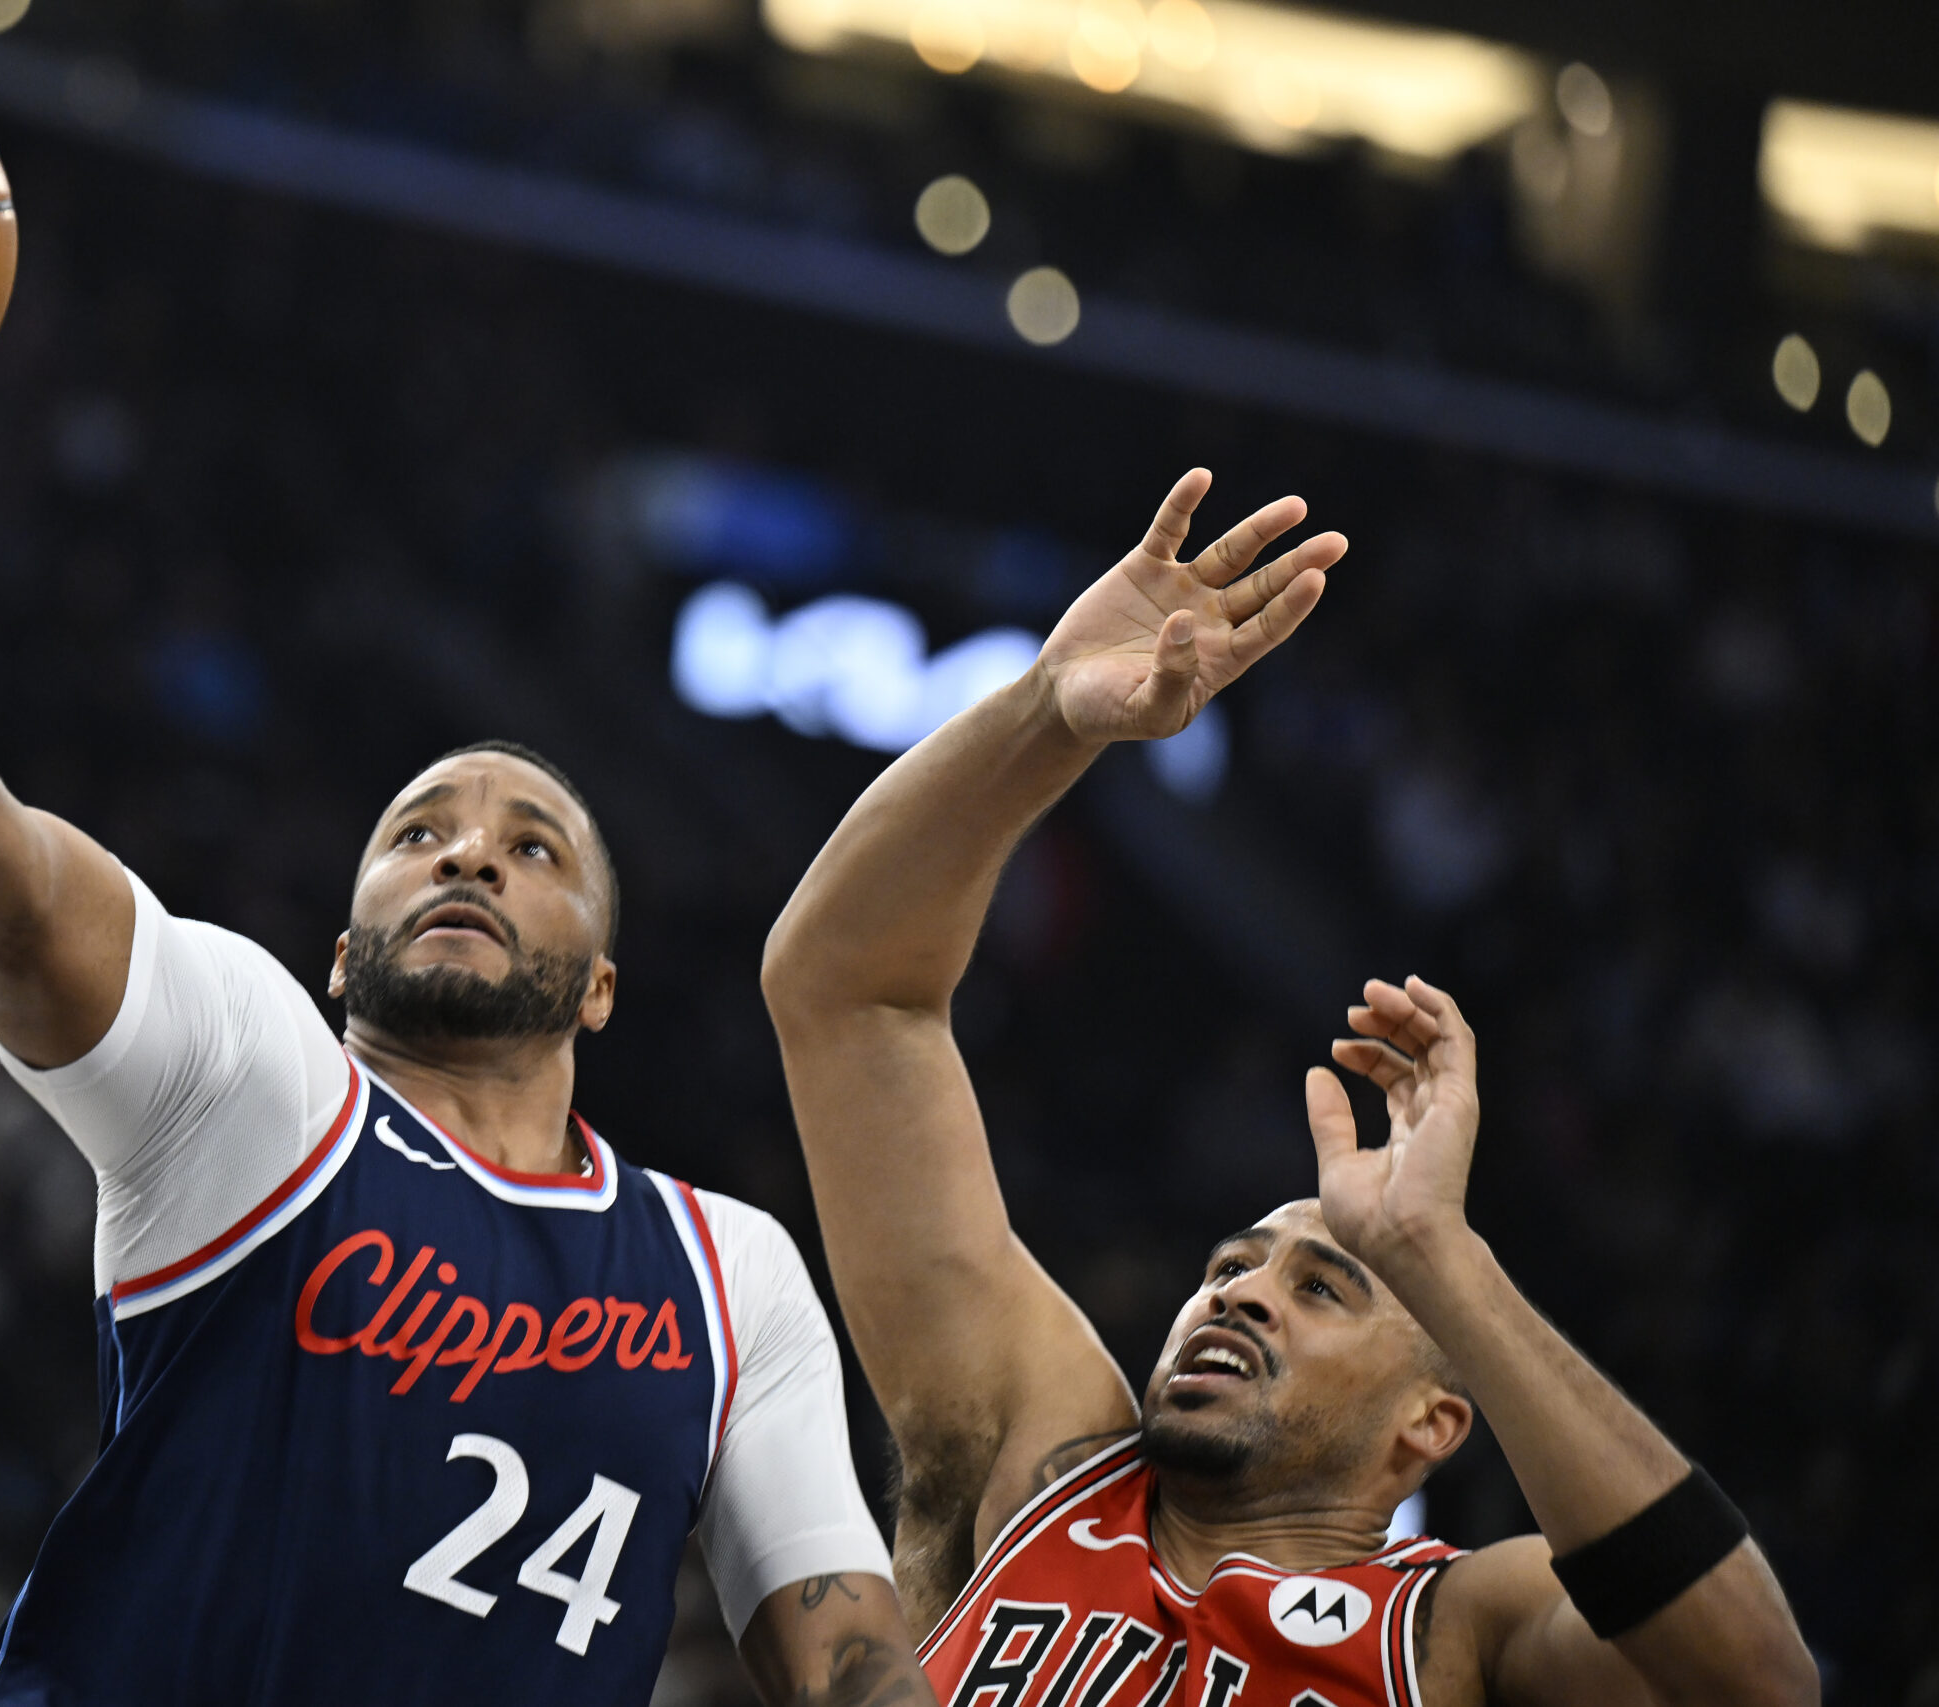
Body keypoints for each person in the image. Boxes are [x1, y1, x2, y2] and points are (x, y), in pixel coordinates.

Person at [0, 219, 936, 1707]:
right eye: (421, 832)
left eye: (537, 848)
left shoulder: (727, 1274)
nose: (471, 853)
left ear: (602, 983)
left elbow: (846, 1649)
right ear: (339, 955)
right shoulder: (262, 1088)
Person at [759, 471, 1819, 1707]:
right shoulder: (1035, 1464)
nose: (1242, 1295)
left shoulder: (1458, 1628)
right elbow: (847, 995)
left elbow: (1756, 1684)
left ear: (1430, 1424)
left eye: (1322, 1286)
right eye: (1228, 1268)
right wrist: (1046, 716)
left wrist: (1436, 1251)